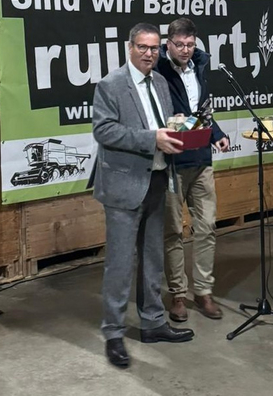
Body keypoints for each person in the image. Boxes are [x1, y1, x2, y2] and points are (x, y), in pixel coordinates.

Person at [92, 22, 194, 369]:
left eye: (154, 48)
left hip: (157, 180)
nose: (149, 54)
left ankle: (152, 323)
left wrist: (176, 128)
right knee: (120, 264)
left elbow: (160, 124)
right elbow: (104, 130)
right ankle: (113, 333)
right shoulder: (111, 85)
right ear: (130, 47)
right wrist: (153, 138)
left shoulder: (161, 83)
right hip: (123, 186)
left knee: (153, 259)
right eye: (142, 47)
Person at [155, 17, 230, 323]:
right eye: (179, 45)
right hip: (172, 162)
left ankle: (204, 291)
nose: (185, 50)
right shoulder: (157, 70)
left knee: (207, 226)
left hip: (201, 160)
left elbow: (202, 111)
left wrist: (217, 134)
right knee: (173, 231)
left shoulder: (200, 65)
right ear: (168, 44)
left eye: (190, 44)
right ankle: (177, 294)